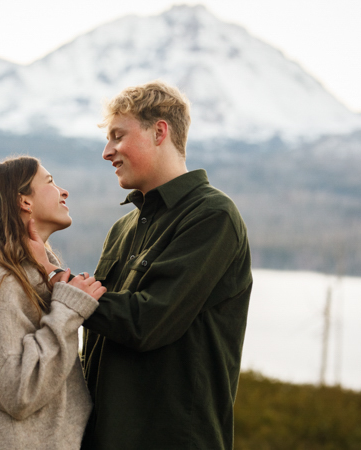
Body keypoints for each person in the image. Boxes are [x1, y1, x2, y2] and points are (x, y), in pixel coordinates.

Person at [28, 80, 252, 449]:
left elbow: (148, 322)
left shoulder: (213, 216)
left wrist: (55, 280)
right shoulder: (123, 228)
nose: (107, 151)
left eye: (118, 136)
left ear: (160, 131)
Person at [0, 156, 106, 450]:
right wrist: (67, 311)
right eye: (51, 182)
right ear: (24, 201)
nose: (63, 192)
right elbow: (19, 391)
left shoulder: (26, 275)